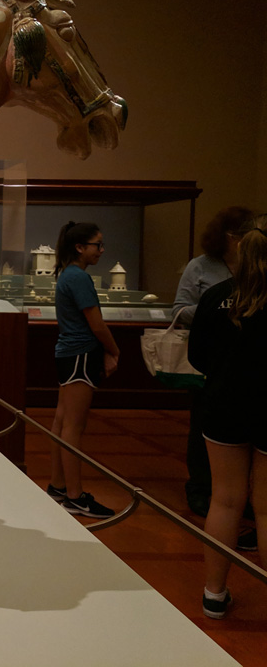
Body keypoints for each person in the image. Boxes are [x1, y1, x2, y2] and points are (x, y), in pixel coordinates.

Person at [188, 214, 267, 619]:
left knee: (224, 499)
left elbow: (197, 355)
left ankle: (214, 594)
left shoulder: (217, 295)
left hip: (222, 404)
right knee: (266, 508)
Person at [173, 206, 254, 519]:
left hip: (250, 365)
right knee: (204, 429)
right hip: (213, 363)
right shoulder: (201, 266)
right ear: (232, 237)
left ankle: (242, 495)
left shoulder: (256, 266)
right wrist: (218, 309)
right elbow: (180, 310)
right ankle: (200, 488)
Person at [46, 221, 121, 518]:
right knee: (73, 427)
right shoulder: (78, 277)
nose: (101, 250)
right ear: (79, 247)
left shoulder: (69, 274)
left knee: (62, 422)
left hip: (69, 353)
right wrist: (114, 350)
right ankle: (75, 496)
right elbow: (96, 324)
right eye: (97, 245)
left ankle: (58, 485)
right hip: (80, 354)